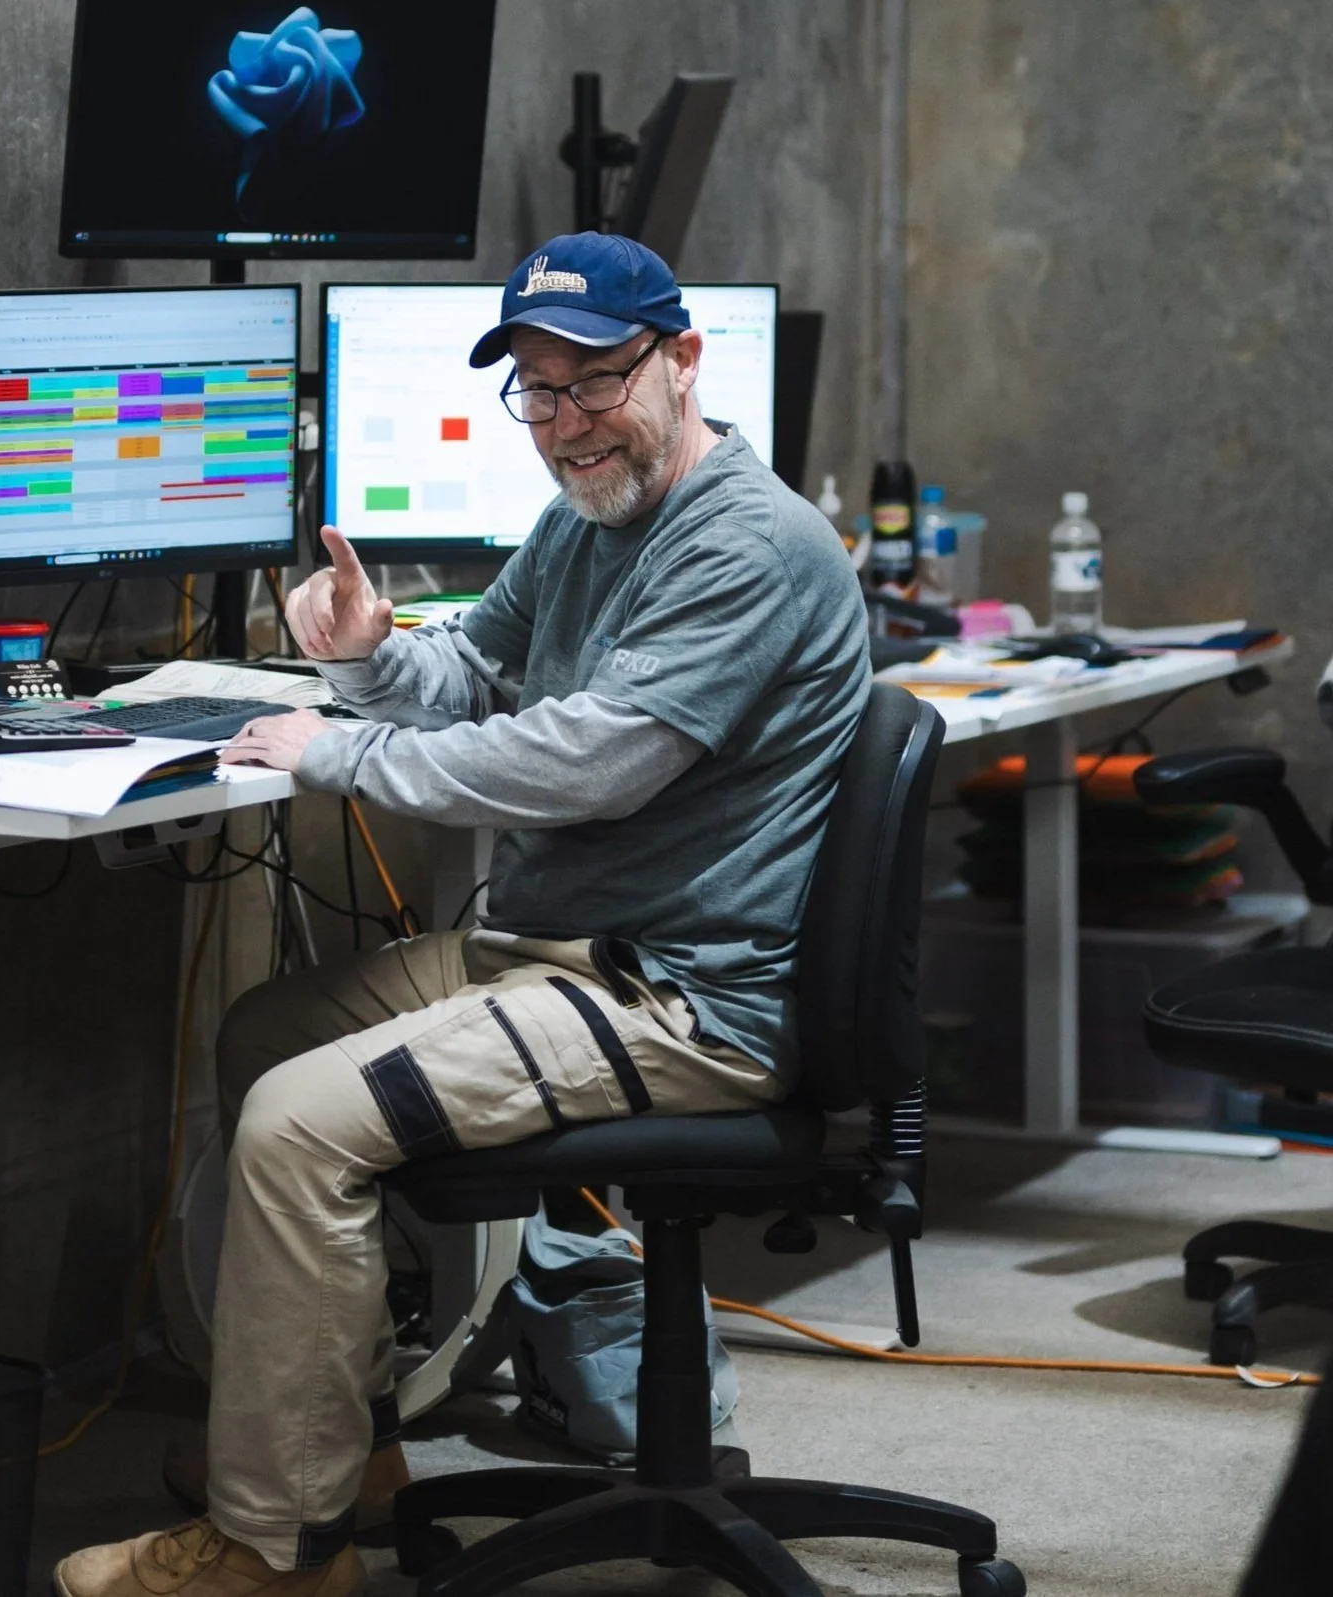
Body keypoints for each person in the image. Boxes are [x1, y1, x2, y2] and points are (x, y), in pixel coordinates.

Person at [55, 232, 870, 1597]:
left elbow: (589, 759)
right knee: (272, 1034)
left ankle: (278, 1555)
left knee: (298, 1124)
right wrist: (374, 656)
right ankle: (341, 1453)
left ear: (683, 360)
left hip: (680, 995)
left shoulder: (751, 544)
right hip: (557, 951)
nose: (563, 424)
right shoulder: (587, 517)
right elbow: (482, 674)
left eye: (594, 381)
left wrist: (336, 754)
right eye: (536, 393)